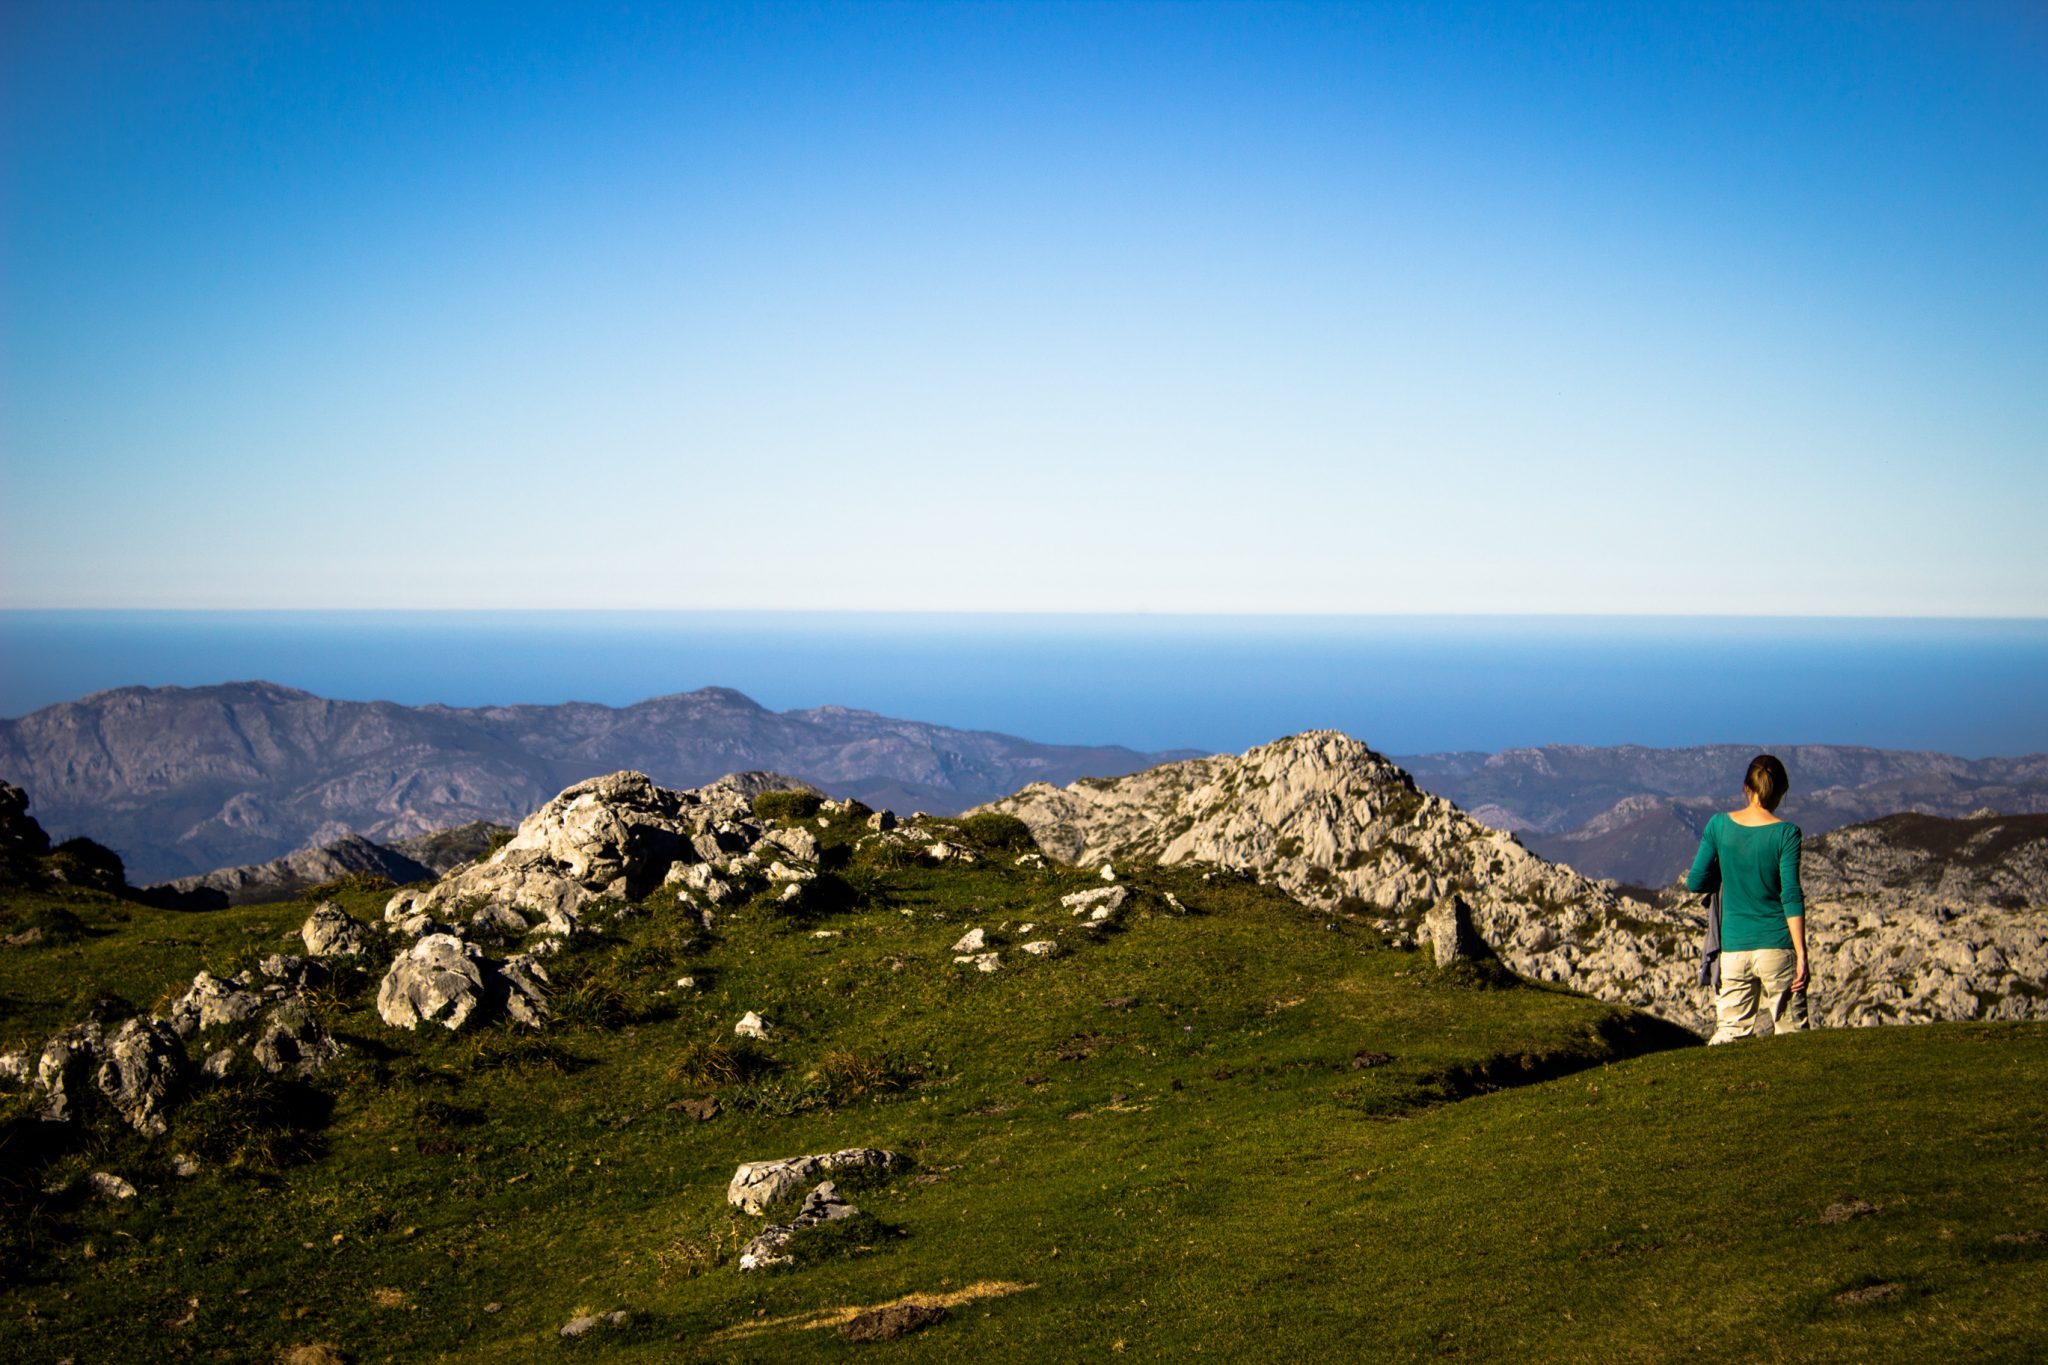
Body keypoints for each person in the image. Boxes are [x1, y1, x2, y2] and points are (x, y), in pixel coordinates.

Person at [1685, 753, 1808, 1043]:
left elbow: (1695, 881)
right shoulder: (1787, 834)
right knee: (1791, 1036)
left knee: (1729, 1034)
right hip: (1777, 946)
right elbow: (1790, 895)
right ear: (1780, 792)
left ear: (1745, 788)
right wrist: (1801, 954)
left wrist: (1725, 875)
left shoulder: (1718, 825)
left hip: (1733, 949)